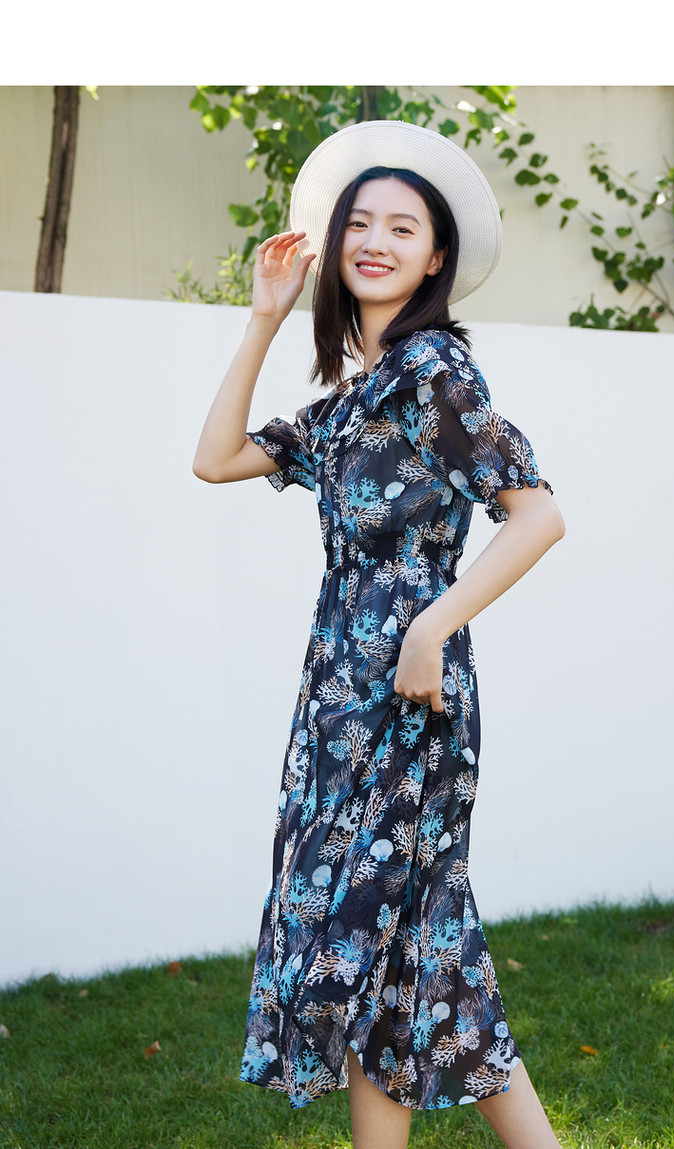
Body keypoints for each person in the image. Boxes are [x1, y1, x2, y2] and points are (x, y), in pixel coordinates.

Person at [193, 120, 565, 1149]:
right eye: (360, 223)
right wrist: (264, 318)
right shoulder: (353, 402)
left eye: (404, 227)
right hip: (339, 697)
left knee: (383, 940)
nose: (376, 241)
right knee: (407, 953)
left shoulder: (435, 374)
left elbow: (537, 515)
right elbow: (215, 458)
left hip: (410, 695)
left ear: (436, 258)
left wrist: (431, 629)